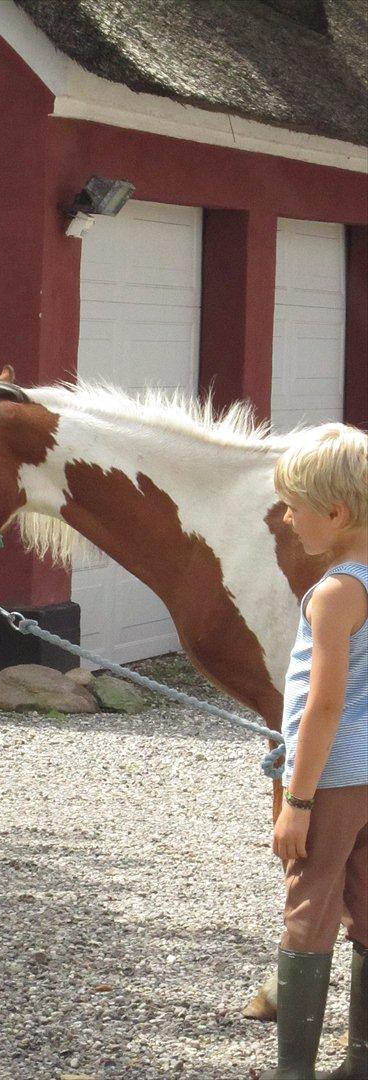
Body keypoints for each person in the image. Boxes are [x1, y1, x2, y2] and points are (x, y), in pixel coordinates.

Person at [260, 422, 368, 1080]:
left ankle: (293, 1073)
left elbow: (323, 706)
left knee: (310, 906)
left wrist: (296, 801)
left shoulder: (334, 593)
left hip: (331, 781)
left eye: (294, 505)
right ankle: (360, 1061)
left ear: (336, 512)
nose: (286, 517)